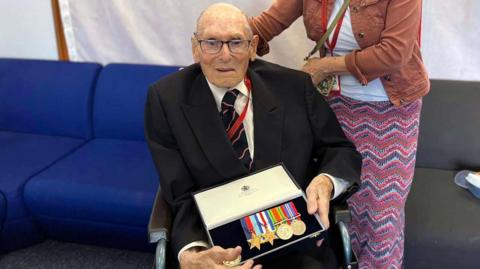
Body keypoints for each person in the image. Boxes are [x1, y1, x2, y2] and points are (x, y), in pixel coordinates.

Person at [145, 3, 361, 269]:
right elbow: (179, 193)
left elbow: (340, 150)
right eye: (212, 42)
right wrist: (194, 254)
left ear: (252, 46)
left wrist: (325, 182)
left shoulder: (294, 87)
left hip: (293, 240)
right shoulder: (166, 99)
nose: (225, 55)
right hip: (219, 246)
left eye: (236, 42)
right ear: (195, 47)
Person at [249, 0, 430, 268]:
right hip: (334, 107)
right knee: (338, 206)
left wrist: (326, 66)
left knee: (379, 216)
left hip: (390, 111)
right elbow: (268, 22)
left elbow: (395, 53)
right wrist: (230, 40)